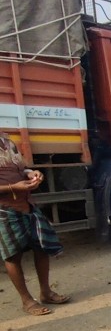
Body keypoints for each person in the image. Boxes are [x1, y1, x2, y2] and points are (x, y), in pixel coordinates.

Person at [1, 133, 66, 316]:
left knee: (41, 246)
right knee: (13, 255)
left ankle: (45, 291)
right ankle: (27, 301)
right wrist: (14, 188)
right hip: (4, 208)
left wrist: (31, 174)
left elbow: (21, 168)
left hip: (26, 204)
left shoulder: (7, 142)